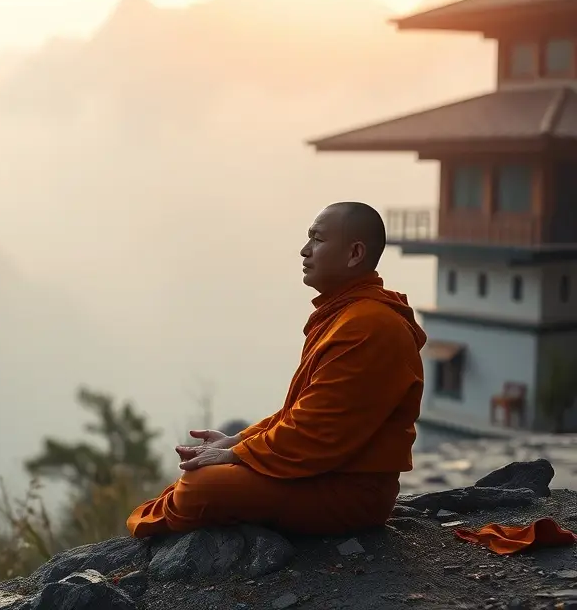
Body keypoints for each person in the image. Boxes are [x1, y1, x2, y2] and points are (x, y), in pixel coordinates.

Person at [126, 201, 426, 537]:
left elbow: (314, 434)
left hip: (350, 494)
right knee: (200, 472)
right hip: (322, 474)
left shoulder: (371, 326)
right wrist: (235, 441)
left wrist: (238, 454)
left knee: (202, 485)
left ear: (354, 253)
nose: (304, 251)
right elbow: (302, 412)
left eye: (317, 239)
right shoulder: (350, 317)